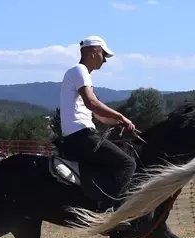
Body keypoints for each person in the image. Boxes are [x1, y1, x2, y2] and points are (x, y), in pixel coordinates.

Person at [58, 36, 137, 211]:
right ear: (94, 51)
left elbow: (98, 116)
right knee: (128, 163)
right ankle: (107, 208)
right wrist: (122, 117)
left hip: (78, 135)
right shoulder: (80, 71)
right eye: (104, 54)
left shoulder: (79, 73)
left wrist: (117, 122)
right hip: (81, 135)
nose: (105, 60)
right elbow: (92, 103)